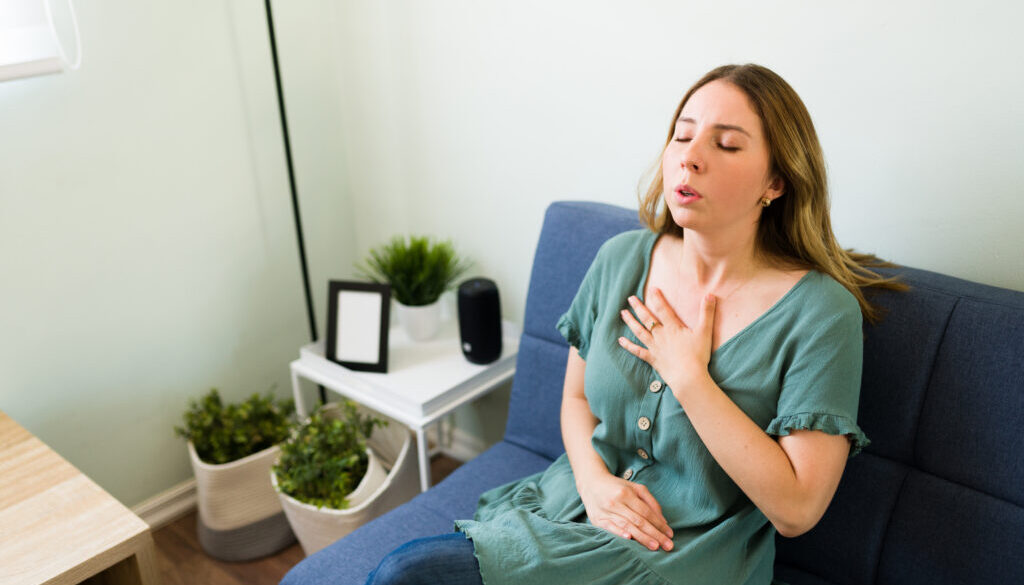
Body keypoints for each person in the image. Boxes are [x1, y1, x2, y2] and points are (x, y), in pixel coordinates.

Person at [365, 63, 902, 585]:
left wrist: (689, 377)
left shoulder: (822, 313)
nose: (689, 159)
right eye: (681, 137)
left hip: (683, 556)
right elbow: (576, 399)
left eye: (727, 144)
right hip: (577, 504)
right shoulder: (620, 259)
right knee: (404, 573)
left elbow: (798, 508)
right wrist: (595, 483)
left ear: (777, 182)